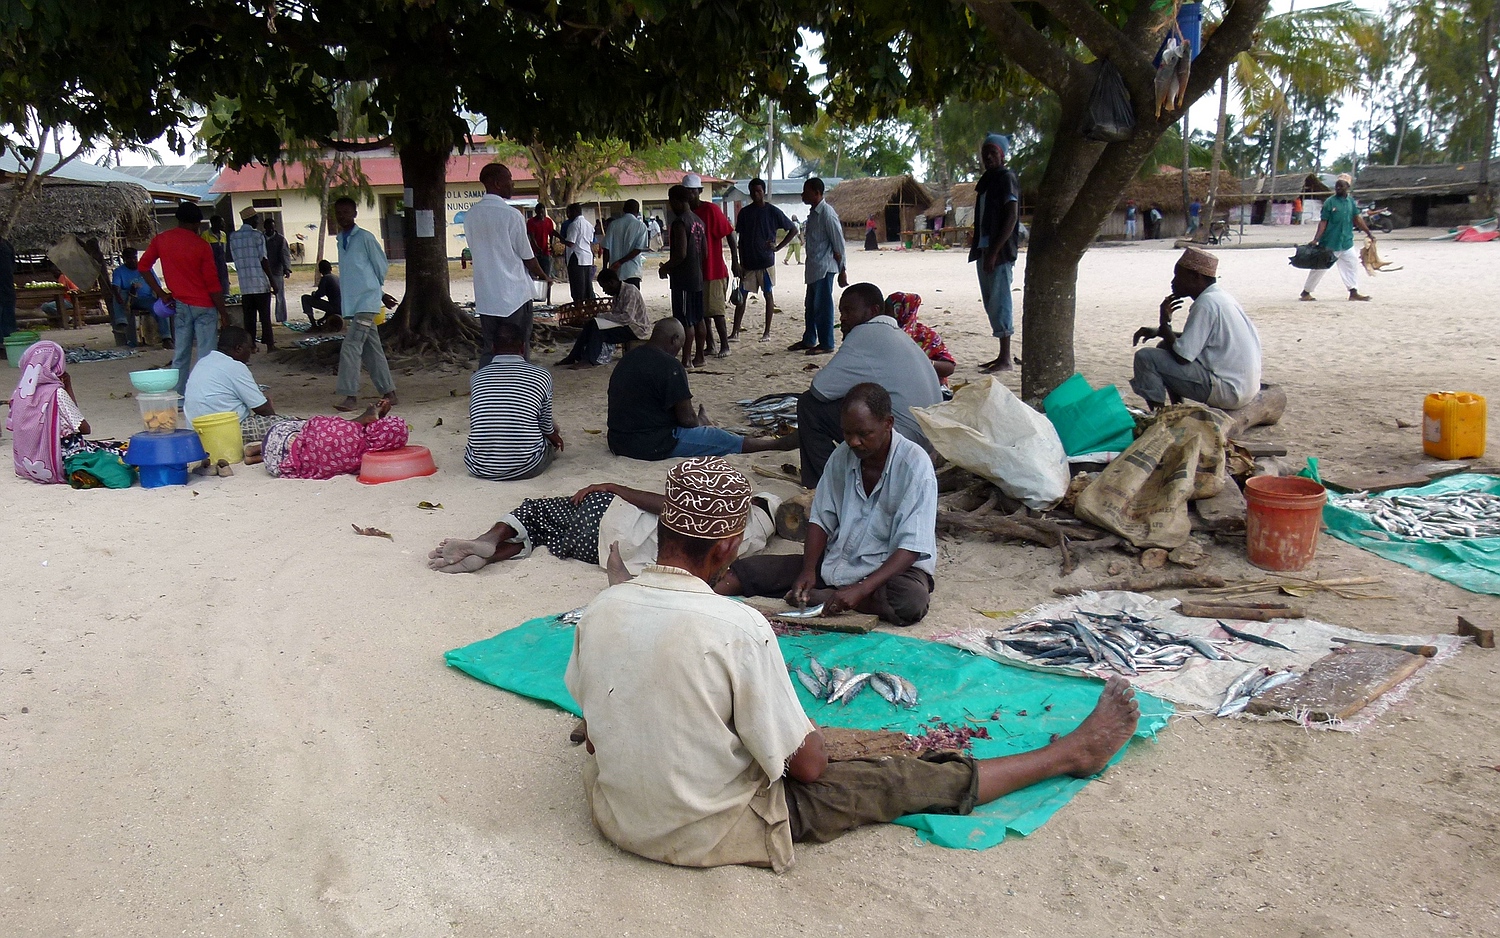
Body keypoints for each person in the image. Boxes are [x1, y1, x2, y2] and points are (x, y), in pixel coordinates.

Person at [564, 456, 1141, 872]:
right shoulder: (739, 628)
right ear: (726, 549)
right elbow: (809, 769)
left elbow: (594, 734)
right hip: (697, 831)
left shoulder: (601, 609)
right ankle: (1071, 754)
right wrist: (803, 739)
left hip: (618, 816)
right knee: (892, 778)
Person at [724, 384, 937, 624]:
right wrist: (808, 570)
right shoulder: (843, 456)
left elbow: (911, 547)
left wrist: (861, 589)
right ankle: (830, 594)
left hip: (892, 572)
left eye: (863, 434)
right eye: (847, 433)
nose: (854, 442)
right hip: (840, 562)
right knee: (749, 571)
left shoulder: (915, 466)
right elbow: (821, 519)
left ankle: (832, 597)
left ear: (888, 423)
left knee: (910, 601)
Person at [426, 477, 780, 579]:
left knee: (537, 511)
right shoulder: (744, 545)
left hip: (610, 519)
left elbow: (664, 506)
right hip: (601, 553)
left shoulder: (729, 512)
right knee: (550, 537)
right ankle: (498, 555)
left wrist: (615, 488)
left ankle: (488, 541)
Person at [795, 282, 941, 487]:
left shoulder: (865, 333)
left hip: (902, 438)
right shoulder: (897, 334)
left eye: (849, 310)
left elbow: (819, 390)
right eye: (841, 312)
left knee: (808, 405)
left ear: (873, 310)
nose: (843, 318)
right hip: (929, 439)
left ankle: (823, 486)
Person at [607, 319, 797, 461]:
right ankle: (775, 444)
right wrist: (699, 423)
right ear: (674, 340)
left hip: (617, 440)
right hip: (651, 445)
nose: (679, 351)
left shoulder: (628, 359)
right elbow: (687, 420)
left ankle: (705, 422)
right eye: (680, 346)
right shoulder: (670, 366)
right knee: (718, 438)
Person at [1130, 246, 1262, 412]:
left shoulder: (1205, 305)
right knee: (1164, 346)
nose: (1173, 282)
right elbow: (1201, 340)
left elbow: (1182, 357)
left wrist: (1165, 324)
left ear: (1196, 277)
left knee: (1145, 357)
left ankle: (1159, 417)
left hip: (1229, 391)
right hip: (1245, 387)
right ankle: (1178, 408)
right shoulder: (1221, 298)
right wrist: (1159, 332)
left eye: (1178, 276)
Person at [139, 201, 230, 396]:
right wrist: (223, 312)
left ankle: (180, 396)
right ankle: (205, 395)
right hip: (205, 306)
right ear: (197, 223)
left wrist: (161, 293)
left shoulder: (161, 240)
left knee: (181, 353)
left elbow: (143, 267)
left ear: (178, 219)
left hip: (180, 304)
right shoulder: (202, 245)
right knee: (207, 355)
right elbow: (213, 284)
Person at [6, 340, 126, 483]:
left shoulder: (20, 395)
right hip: (61, 459)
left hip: (31, 463)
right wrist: (67, 387)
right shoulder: (55, 393)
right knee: (124, 450)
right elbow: (84, 428)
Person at [467, 162, 546, 366]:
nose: (513, 184)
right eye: (509, 179)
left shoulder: (471, 215)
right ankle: (519, 387)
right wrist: (543, 275)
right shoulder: (512, 215)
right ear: (497, 183)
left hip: (487, 296)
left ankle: (486, 387)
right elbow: (527, 256)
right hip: (514, 295)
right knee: (518, 347)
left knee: (490, 347)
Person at [466, 317, 564, 482]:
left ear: (493, 347)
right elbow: (545, 424)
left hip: (479, 466)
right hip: (528, 466)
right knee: (550, 426)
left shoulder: (477, 378)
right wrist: (554, 436)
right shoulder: (542, 375)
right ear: (523, 347)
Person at [331, 196, 398, 412]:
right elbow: (358, 274)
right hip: (355, 303)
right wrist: (381, 294)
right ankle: (389, 392)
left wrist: (377, 292)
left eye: (346, 212)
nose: (342, 216)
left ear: (354, 214)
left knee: (351, 347)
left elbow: (380, 267)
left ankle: (350, 395)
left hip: (366, 303)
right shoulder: (341, 238)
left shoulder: (365, 238)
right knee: (372, 349)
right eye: (338, 213)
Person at [253, 400, 407, 480]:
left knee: (313, 429)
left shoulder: (349, 430)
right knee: (313, 448)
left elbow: (316, 424)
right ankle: (255, 454)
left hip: (278, 435)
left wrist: (370, 419)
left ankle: (255, 449)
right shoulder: (364, 461)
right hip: (276, 463)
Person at [970, 133, 1020, 373]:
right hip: (984, 249)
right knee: (991, 302)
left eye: (993, 153)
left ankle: (1006, 359)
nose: (988, 158)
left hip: (997, 252)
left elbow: (1011, 217)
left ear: (1002, 155)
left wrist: (994, 252)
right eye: (985, 154)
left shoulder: (1006, 178)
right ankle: (1001, 355)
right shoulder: (987, 181)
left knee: (1001, 302)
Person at [183, 327, 282, 444]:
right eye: (250, 348)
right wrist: (268, 403)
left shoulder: (203, 362)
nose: (252, 352)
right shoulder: (235, 366)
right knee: (288, 425)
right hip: (224, 431)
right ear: (238, 348)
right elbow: (263, 409)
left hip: (196, 431)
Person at [731, 178, 796, 342]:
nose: (755, 194)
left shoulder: (773, 211)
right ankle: (735, 332)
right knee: (742, 297)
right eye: (753, 191)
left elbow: (793, 229)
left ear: (764, 191)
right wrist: (738, 261)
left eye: (758, 191)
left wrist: (778, 247)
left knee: (768, 295)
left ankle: (767, 332)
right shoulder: (745, 213)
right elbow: (740, 239)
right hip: (748, 263)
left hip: (766, 262)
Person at [681, 173, 738, 358]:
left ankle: (725, 345)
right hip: (696, 271)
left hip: (714, 269)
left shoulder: (711, 210)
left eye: (693, 191)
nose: (690, 195)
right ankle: (710, 344)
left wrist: (735, 261)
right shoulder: (685, 214)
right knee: (702, 313)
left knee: (716, 311)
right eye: (687, 192)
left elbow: (729, 233)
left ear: (699, 192)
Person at [789, 177, 847, 355]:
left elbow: (839, 243)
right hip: (814, 267)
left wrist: (842, 269)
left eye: (805, 191)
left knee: (822, 307)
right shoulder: (814, 214)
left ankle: (826, 342)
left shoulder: (827, 214)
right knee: (811, 306)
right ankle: (809, 339)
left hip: (824, 268)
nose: (802, 194)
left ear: (816, 192)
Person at [1300, 173, 1374, 303]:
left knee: (1351, 265)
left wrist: (1368, 232)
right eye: (1337, 186)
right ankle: (1306, 292)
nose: (1338, 188)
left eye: (1341, 186)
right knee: (1320, 268)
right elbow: (1323, 222)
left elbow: (1357, 218)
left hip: (1346, 242)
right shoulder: (1330, 202)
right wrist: (1316, 239)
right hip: (1330, 242)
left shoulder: (1351, 202)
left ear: (1347, 187)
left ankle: (1353, 292)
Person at [558, 268, 652, 367]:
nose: (604, 291)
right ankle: (574, 356)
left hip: (636, 328)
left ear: (611, 282)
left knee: (599, 331)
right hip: (626, 325)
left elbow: (627, 318)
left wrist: (601, 316)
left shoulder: (630, 291)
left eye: (604, 287)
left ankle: (589, 360)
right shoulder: (618, 294)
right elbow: (616, 316)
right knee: (591, 324)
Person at [659, 185, 708, 368]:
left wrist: (665, 268)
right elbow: (705, 253)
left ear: (676, 201)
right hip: (697, 277)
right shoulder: (699, 222)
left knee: (685, 320)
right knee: (698, 318)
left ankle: (686, 359)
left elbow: (680, 253)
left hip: (684, 279)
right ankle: (700, 356)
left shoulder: (681, 222)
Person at [229, 206, 277, 352]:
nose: (258, 221)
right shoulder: (257, 236)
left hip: (245, 286)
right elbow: (263, 260)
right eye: (256, 218)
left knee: (249, 319)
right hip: (260, 284)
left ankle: (251, 346)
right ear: (251, 219)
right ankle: (270, 345)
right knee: (265, 318)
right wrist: (273, 281)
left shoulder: (233, 237)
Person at [886, 292, 955, 386]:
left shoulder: (925, 335)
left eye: (891, 311)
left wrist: (924, 362)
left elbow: (949, 367)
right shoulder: (880, 334)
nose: (886, 315)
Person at [110, 248, 159, 348]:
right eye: (129, 258)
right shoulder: (119, 271)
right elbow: (116, 287)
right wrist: (120, 298)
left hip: (145, 299)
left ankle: (167, 337)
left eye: (134, 258)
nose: (132, 260)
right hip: (128, 300)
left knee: (160, 307)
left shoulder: (146, 269)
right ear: (124, 259)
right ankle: (121, 322)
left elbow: (156, 285)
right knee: (121, 296)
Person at [601, 199, 650, 289]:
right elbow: (638, 249)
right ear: (637, 211)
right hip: (632, 271)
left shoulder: (613, 225)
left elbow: (606, 249)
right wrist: (620, 262)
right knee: (632, 299)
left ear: (623, 209)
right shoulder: (641, 226)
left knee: (618, 300)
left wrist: (605, 268)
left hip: (615, 272)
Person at [560, 203, 595, 304]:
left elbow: (570, 243)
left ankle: (579, 309)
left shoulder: (574, 225)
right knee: (587, 286)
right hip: (587, 258)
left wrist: (560, 238)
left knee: (577, 287)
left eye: (568, 212)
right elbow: (591, 241)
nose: (567, 215)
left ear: (574, 212)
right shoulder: (589, 225)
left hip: (576, 257)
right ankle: (588, 308)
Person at [526, 204, 560, 305]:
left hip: (545, 252)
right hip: (534, 253)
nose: (541, 214)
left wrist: (552, 244)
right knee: (532, 276)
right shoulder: (531, 222)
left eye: (543, 212)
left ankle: (548, 300)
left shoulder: (548, 221)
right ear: (536, 212)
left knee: (547, 276)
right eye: (539, 212)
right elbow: (531, 237)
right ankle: (530, 299)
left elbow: (551, 233)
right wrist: (537, 248)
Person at [264, 217, 293, 324]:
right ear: (265, 227)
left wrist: (287, 269)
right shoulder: (261, 239)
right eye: (268, 227)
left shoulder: (280, 239)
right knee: (264, 296)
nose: (270, 229)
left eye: (272, 227)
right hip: (264, 272)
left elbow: (285, 254)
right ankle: (265, 318)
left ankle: (281, 318)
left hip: (277, 271)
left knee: (279, 295)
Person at [301, 259, 342, 331]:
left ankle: (313, 325)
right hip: (341, 308)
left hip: (334, 308)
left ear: (320, 271)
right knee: (332, 303)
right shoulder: (336, 277)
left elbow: (319, 294)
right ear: (331, 268)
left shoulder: (325, 278)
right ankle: (321, 321)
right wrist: (323, 318)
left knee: (305, 298)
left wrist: (314, 294)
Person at [203, 215, 231, 295]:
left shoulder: (223, 235)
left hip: (222, 266)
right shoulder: (205, 235)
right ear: (214, 223)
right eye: (221, 222)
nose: (224, 224)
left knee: (225, 289)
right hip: (211, 267)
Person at [0, 234, 16, 342]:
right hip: (7, 289)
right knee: (8, 319)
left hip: (5, 289)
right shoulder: (6, 245)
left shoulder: (4, 246)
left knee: (5, 320)